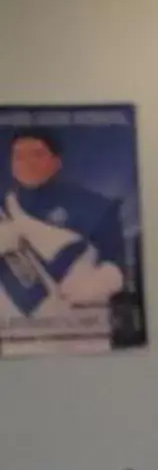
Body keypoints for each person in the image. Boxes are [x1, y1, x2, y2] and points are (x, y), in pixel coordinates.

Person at [1, 125, 132, 330]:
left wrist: (100, 283)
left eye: (37, 155)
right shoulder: (3, 208)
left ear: (56, 162)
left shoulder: (95, 206)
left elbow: (117, 264)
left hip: (81, 330)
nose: (26, 163)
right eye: (19, 156)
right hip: (14, 333)